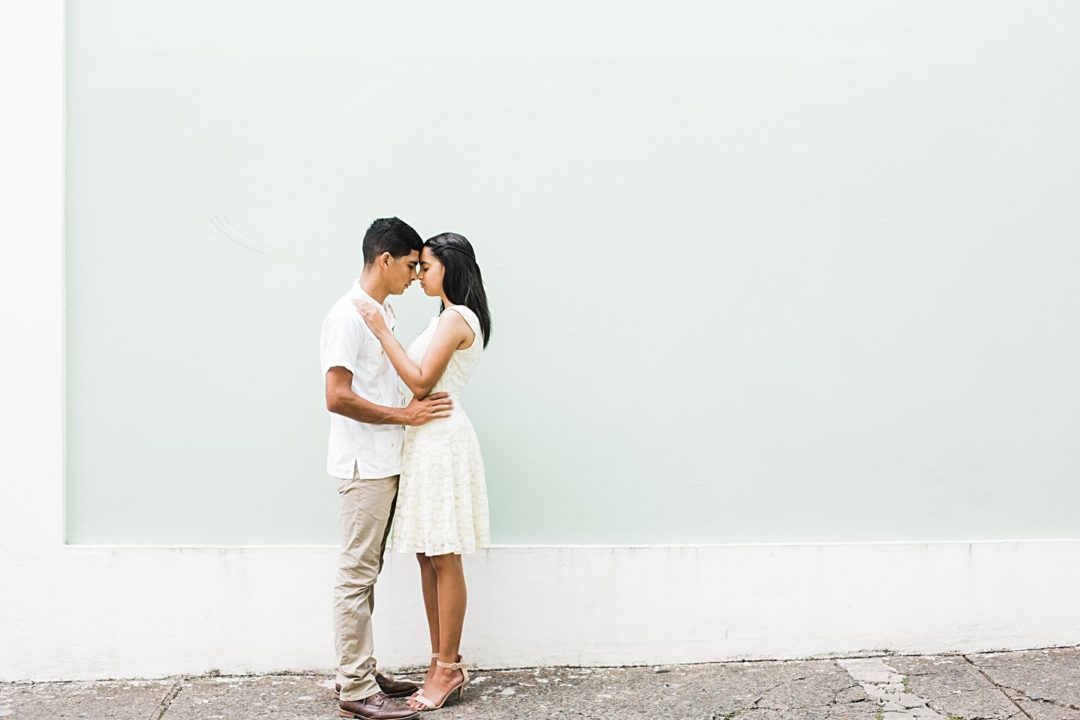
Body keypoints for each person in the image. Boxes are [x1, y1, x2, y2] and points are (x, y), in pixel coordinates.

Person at [321, 217, 455, 720]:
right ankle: (354, 688)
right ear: (384, 260)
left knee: (367, 572)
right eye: (409, 265)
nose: (415, 275)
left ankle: (360, 668)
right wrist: (405, 416)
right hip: (364, 465)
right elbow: (336, 396)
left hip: (385, 459)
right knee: (355, 575)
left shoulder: (384, 312)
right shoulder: (348, 316)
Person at [353, 232, 492, 712]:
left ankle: (449, 667)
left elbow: (420, 380)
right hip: (424, 437)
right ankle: (438, 662)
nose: (418, 275)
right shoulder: (443, 317)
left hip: (441, 437)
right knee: (427, 555)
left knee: (444, 554)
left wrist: (379, 327)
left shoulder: (457, 318)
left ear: (449, 268)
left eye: (426, 267)